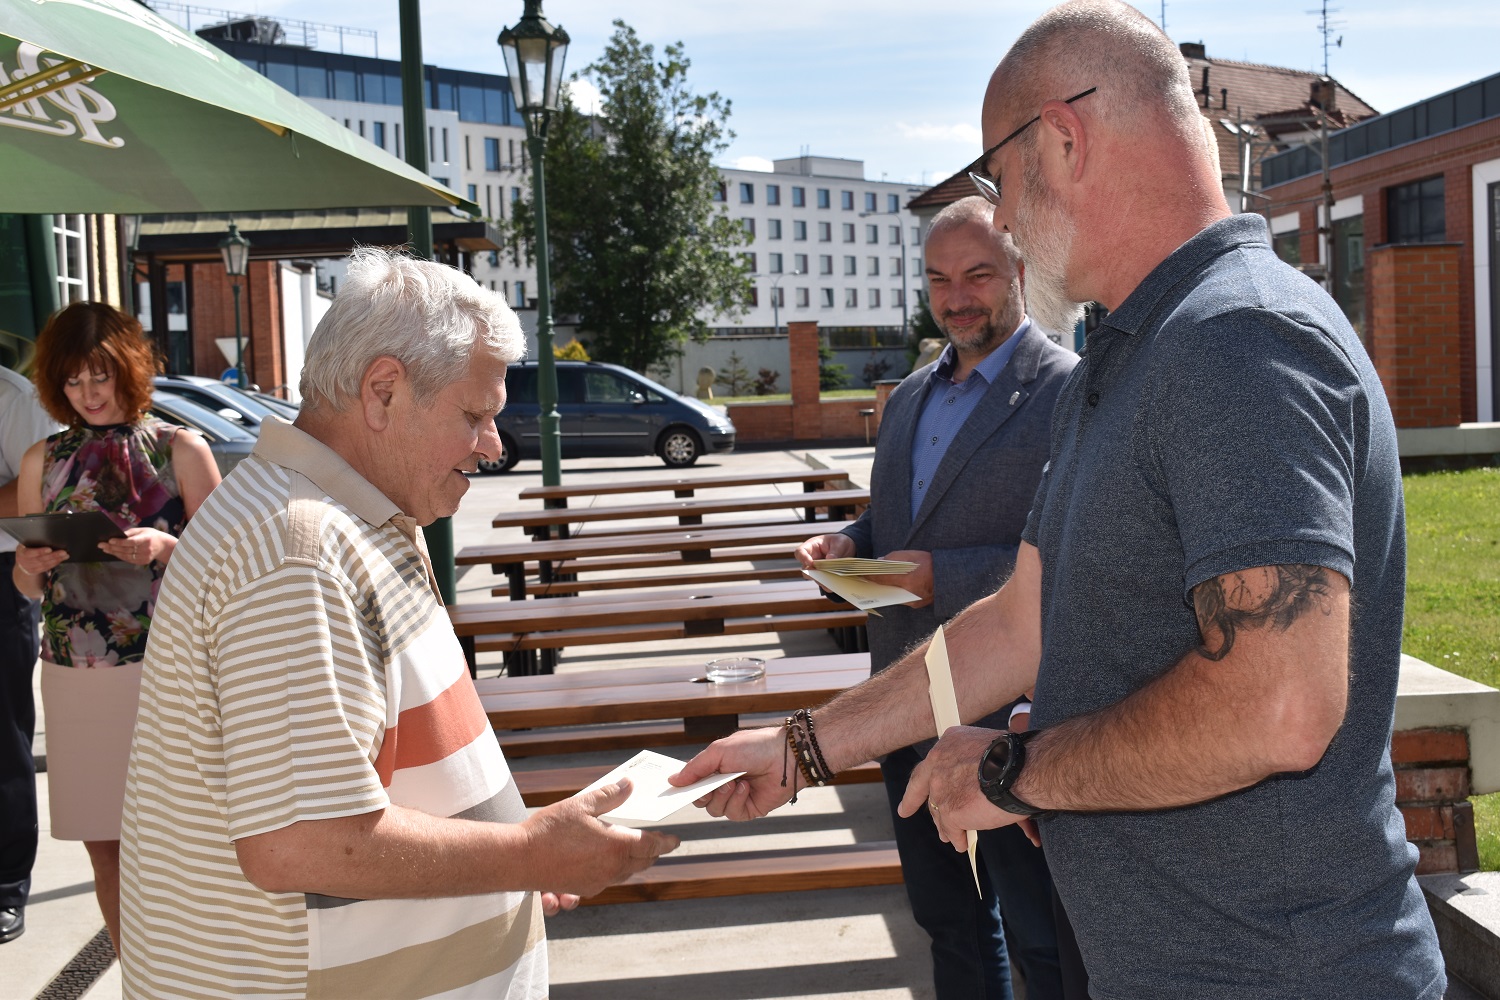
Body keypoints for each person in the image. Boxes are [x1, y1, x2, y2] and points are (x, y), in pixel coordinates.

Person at [675, 2, 1447, 997]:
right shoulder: (1126, 357)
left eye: (998, 179)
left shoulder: (1237, 338)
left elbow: (1280, 704)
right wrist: (805, 747)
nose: (1000, 219)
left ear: (1064, 138)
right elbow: (1020, 623)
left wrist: (1013, 770)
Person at [119, 249, 679, 999]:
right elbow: (300, 844)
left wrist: (504, 858)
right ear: (382, 391)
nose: (493, 444)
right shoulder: (298, 553)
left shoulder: (354, 512)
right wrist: (526, 854)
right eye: (475, 416)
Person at [795, 195, 1075, 1000]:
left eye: (977, 275)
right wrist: (849, 541)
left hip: (1009, 714)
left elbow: (1075, 552)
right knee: (949, 923)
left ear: (1020, 272)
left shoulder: (1069, 389)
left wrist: (939, 578)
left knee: (1041, 935)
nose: (957, 297)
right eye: (939, 279)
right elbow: (895, 515)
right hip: (906, 704)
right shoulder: (911, 395)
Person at [11, 303, 220, 954]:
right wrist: (27, 566)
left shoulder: (182, 448)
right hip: (72, 675)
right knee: (105, 845)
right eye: (72, 380)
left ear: (129, 367)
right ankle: (142, 979)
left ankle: (198, 972)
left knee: (188, 842)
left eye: (99, 375)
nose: (88, 393)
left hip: (166, 671)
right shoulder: (41, 459)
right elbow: (28, 587)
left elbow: (230, 569)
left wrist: (167, 547)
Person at [0, 363, 62, 945]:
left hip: (4, 573)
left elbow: (36, 490)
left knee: (4, 735)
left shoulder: (12, 397)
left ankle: (5, 884)